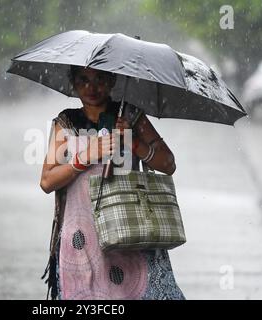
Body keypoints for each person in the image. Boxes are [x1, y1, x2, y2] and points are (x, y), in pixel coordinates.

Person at [40, 66, 185, 300]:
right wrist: (83, 158)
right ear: (74, 84)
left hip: (129, 229)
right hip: (82, 239)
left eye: (99, 79)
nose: (92, 87)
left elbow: (168, 164)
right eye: (83, 80)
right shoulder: (66, 122)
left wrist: (133, 141)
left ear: (112, 81)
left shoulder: (130, 116)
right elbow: (47, 181)